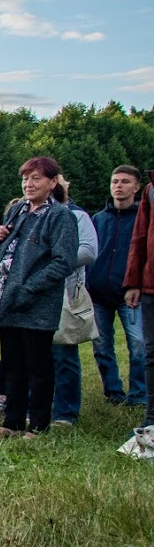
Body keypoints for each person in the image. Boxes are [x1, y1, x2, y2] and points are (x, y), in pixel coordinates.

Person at [0, 157, 78, 437]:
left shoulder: (60, 216)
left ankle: (38, 425)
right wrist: (0, 236)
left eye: (36, 178)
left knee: (38, 365)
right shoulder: (17, 211)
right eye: (26, 178)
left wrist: (30, 288)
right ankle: (12, 422)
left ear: (52, 183)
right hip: (8, 299)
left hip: (37, 302)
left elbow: (63, 261)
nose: (29, 184)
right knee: (13, 364)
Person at [90, 165, 145, 408]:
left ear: (136, 187)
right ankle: (113, 392)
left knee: (139, 345)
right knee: (101, 346)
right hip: (98, 293)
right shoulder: (98, 219)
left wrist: (139, 284)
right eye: (115, 182)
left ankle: (139, 395)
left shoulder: (144, 219)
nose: (118, 186)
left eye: (124, 182)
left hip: (130, 293)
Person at [50, 177, 98, 426]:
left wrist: (52, 262)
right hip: (33, 295)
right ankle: (33, 407)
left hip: (64, 293)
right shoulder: (27, 215)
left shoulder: (78, 217)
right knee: (31, 355)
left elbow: (89, 251)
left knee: (63, 351)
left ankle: (65, 412)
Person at [123, 169, 154, 431]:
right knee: (151, 353)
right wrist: (133, 282)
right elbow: (140, 238)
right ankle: (152, 419)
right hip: (151, 284)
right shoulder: (151, 189)